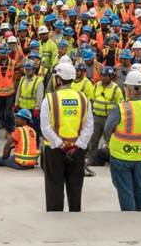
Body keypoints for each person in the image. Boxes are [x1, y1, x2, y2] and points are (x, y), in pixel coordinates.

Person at [40, 62, 94, 212]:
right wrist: (78, 144)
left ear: (58, 79)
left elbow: (45, 128)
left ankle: (55, 215)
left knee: (54, 186)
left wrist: (60, 143)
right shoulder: (83, 99)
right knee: (75, 186)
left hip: (55, 149)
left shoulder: (49, 99)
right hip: (77, 150)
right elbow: (89, 126)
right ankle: (74, 214)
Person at [105, 70, 141, 211]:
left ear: (128, 89)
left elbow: (107, 129)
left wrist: (108, 142)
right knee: (140, 186)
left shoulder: (121, 108)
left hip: (121, 156)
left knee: (125, 190)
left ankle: (130, 218)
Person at [87, 66, 124, 164]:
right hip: (97, 117)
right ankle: (91, 158)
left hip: (110, 119)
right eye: (102, 75)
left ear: (111, 76)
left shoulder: (116, 89)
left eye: (106, 76)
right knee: (93, 139)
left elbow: (120, 105)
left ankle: (112, 158)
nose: (103, 78)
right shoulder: (96, 86)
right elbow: (91, 100)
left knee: (110, 140)